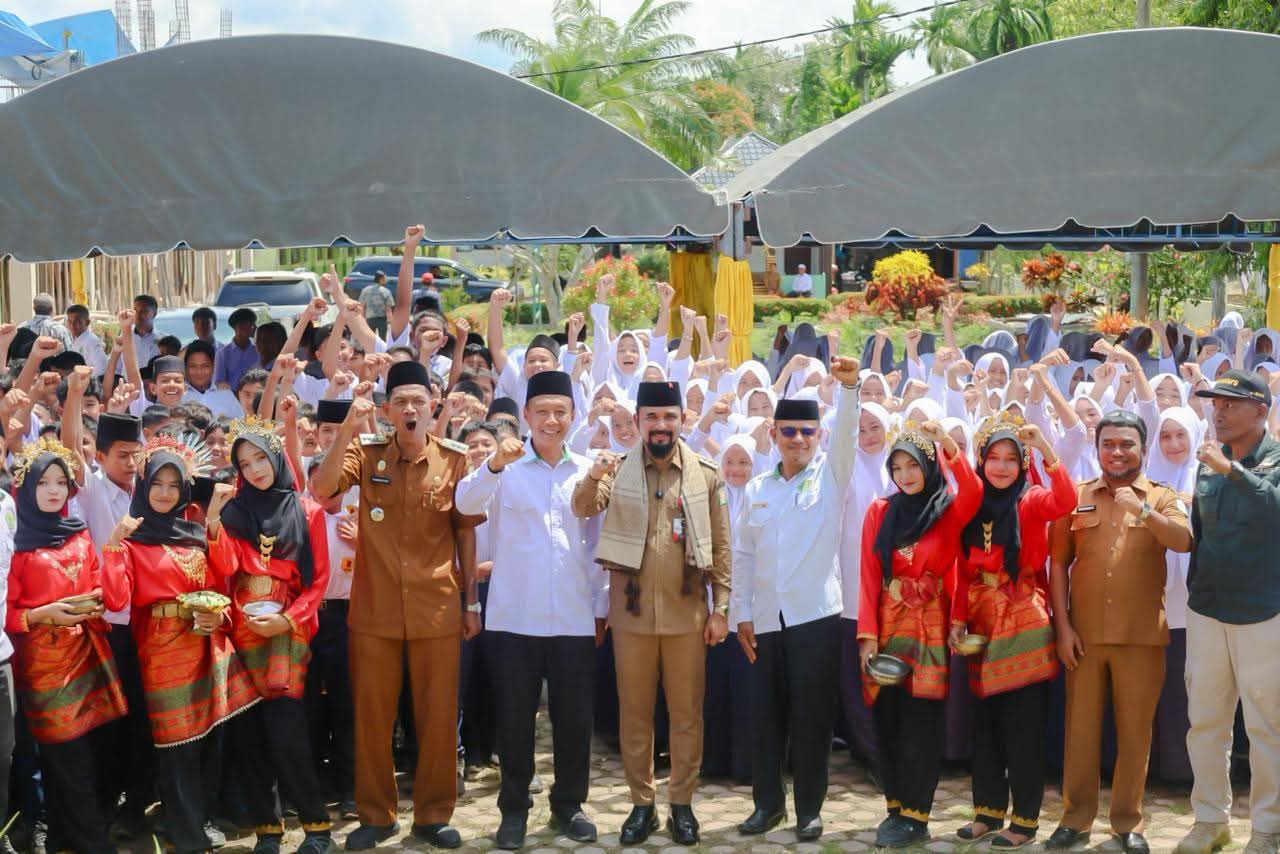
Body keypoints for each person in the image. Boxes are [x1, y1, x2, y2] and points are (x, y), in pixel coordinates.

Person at [310, 360, 484, 850]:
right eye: (401, 402)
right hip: (375, 611)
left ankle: (432, 815)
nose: (410, 409)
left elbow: (466, 535)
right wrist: (346, 426)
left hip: (438, 607)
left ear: (433, 407)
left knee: (436, 714)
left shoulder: (454, 460)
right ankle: (376, 814)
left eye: (419, 401)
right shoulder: (366, 455)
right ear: (387, 410)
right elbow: (321, 489)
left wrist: (472, 602)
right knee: (372, 716)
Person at [571, 380, 731, 846]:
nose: (661, 426)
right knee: (635, 715)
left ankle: (681, 804)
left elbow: (722, 546)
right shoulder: (616, 471)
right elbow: (582, 507)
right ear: (638, 422)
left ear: (682, 420)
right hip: (632, 615)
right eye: (652, 418)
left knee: (686, 715)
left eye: (669, 417)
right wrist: (593, 474)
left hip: (687, 616)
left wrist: (721, 607)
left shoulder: (706, 474)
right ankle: (642, 805)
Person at [455, 370, 605, 851]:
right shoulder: (506, 469)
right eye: (542, 411)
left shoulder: (588, 469)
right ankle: (514, 810)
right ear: (525, 416)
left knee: (574, 719)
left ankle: (569, 805)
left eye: (560, 411)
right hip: (515, 618)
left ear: (573, 416)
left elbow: (598, 544)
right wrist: (494, 463)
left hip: (575, 617)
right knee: (515, 721)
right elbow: (465, 502)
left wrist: (601, 607)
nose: (552, 420)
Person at [100, 436, 260, 854]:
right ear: (144, 485)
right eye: (157, 484)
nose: (165, 493)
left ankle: (199, 818)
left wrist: (211, 524)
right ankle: (185, 830)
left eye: (174, 485)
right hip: (161, 648)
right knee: (176, 745)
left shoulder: (193, 534)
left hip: (206, 642)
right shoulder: (132, 541)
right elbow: (116, 600)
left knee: (209, 739)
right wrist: (114, 545)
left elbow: (223, 573)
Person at [1047, 410, 1192, 854]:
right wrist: (1063, 626)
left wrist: (1143, 509)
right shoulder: (1074, 496)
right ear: (1097, 448)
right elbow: (1057, 563)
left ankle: (1128, 824)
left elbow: (1183, 541)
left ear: (1142, 449)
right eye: (1108, 444)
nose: (1117, 452)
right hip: (1084, 637)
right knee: (1081, 732)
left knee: (1135, 734)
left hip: (1141, 636)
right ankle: (1075, 819)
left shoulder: (1163, 496)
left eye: (1126, 444)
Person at [732, 357, 860, 842]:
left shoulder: (829, 477)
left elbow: (847, 433)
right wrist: (739, 613)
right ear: (773, 433)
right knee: (765, 719)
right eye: (789, 431)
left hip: (815, 619)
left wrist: (850, 389)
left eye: (808, 431)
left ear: (818, 434)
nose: (799, 439)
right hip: (764, 620)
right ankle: (767, 806)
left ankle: (809, 808)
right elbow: (743, 555)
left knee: (811, 718)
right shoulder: (759, 488)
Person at [210, 410, 335, 854]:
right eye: (244, 464)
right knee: (250, 735)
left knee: (286, 731)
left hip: (288, 629)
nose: (255, 470)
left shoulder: (309, 511)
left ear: (277, 456)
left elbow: (319, 579)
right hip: (241, 629)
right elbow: (223, 570)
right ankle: (268, 828)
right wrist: (213, 518)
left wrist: (289, 618)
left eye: (260, 458)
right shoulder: (234, 512)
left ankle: (317, 826)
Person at [951, 415, 1075, 849]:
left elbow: (1066, 500)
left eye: (1010, 459)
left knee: (1022, 728)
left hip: (1024, 620)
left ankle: (1023, 822)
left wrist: (1045, 446)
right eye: (993, 458)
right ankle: (987, 812)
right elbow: (962, 570)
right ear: (982, 460)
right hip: (982, 622)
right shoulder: (970, 505)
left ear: (1022, 464)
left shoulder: (1031, 500)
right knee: (983, 725)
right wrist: (957, 620)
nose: (1001, 467)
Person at [857, 419, 981, 848]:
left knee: (920, 721)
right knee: (888, 716)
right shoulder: (880, 511)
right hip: (889, 626)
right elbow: (870, 576)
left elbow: (975, 489)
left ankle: (917, 814)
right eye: (897, 467)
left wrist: (946, 441)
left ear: (929, 467)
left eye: (914, 466)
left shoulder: (948, 511)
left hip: (929, 628)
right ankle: (895, 806)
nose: (905, 475)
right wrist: (867, 636)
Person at [6, 437, 128, 854]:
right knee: (65, 757)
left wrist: (96, 593)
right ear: (27, 488)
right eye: (45, 483)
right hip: (43, 664)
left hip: (86, 653)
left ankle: (65, 837)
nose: (55, 490)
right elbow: (7, 613)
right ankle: (93, 843)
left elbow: (101, 586)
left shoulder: (77, 535)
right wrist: (44, 614)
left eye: (61, 482)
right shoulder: (16, 545)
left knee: (89, 754)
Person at [1176, 370, 1280, 854]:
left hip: (1263, 609)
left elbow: (1272, 508)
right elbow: (1201, 533)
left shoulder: (1273, 458)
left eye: (1231, 404)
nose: (1218, 411)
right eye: (1214, 403)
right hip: (1209, 608)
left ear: (1262, 411)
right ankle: (1210, 820)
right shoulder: (1208, 462)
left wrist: (1230, 471)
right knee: (1206, 721)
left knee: (1265, 726)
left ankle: (1267, 829)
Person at [214, 307, 260, 390]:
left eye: (253, 324)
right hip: (230, 399)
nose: (253, 327)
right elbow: (219, 382)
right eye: (249, 324)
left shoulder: (259, 351)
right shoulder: (222, 354)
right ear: (237, 327)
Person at [65, 303, 110, 376]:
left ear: (87, 322)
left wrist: (83, 378)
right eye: (70, 321)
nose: (73, 325)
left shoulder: (91, 341)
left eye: (78, 321)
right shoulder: (75, 339)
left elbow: (102, 368)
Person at [359, 272, 395, 338]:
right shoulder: (386, 292)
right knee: (382, 340)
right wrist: (391, 323)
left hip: (369, 319)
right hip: (382, 320)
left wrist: (362, 320)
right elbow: (388, 310)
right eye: (385, 278)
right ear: (381, 279)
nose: (386, 280)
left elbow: (362, 307)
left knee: (370, 339)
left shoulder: (365, 290)